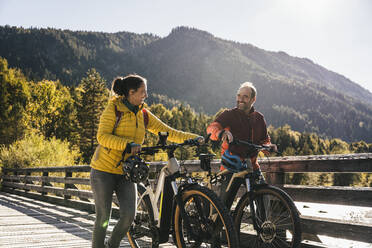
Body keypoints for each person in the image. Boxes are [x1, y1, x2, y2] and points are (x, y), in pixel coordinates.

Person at [90, 74, 203, 248]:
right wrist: (127, 145)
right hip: (103, 171)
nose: (146, 95)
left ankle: (111, 245)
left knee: (128, 215)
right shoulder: (114, 109)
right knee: (103, 216)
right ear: (131, 92)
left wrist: (194, 138)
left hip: (126, 173)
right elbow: (102, 136)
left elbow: (168, 131)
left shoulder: (143, 114)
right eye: (143, 92)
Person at [207, 82, 277, 186]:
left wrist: (269, 147)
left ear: (253, 99)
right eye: (239, 95)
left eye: (245, 97)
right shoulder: (229, 115)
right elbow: (211, 128)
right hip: (231, 165)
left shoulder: (259, 118)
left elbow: (264, 141)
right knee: (225, 202)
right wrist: (220, 133)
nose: (240, 99)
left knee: (264, 196)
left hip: (252, 167)